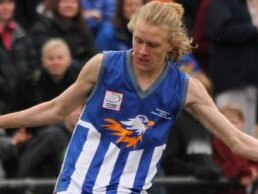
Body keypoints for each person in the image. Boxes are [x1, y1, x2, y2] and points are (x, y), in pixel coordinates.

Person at [1, 1, 258, 193]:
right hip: (77, 185)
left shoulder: (185, 88)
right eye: (138, 40)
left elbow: (236, 141)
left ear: (171, 45)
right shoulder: (103, 65)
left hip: (130, 188)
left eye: (153, 45)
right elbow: (55, 109)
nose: (142, 51)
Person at [206, 0, 258, 136]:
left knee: (247, 133)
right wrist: (253, 30)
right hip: (230, 80)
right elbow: (217, 31)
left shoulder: (246, 5)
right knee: (228, 131)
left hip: (250, 81)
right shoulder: (223, 3)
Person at [18, 106, 83, 194]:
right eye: (74, 109)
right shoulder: (51, 135)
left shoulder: (82, 138)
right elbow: (26, 165)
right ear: (65, 113)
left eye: (82, 109)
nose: (78, 113)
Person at [15, 38, 80, 110]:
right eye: (50, 58)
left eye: (60, 58)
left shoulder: (78, 80)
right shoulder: (29, 84)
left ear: (69, 60)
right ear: (42, 60)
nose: (55, 63)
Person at [29, 0, 96, 68]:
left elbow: (91, 57)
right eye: (65, 2)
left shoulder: (82, 29)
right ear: (56, 4)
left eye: (73, 2)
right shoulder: (43, 28)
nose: (69, 5)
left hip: (78, 74)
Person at [0, 0, 36, 114]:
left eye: (9, 3)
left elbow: (33, 62)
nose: (6, 7)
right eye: (1, 4)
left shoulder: (21, 33)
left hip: (22, 101)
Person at [213, 104, 258, 194]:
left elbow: (253, 161)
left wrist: (254, 172)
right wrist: (249, 172)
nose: (231, 126)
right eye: (228, 122)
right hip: (223, 189)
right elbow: (230, 167)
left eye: (235, 122)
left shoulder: (244, 141)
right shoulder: (217, 142)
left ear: (242, 123)